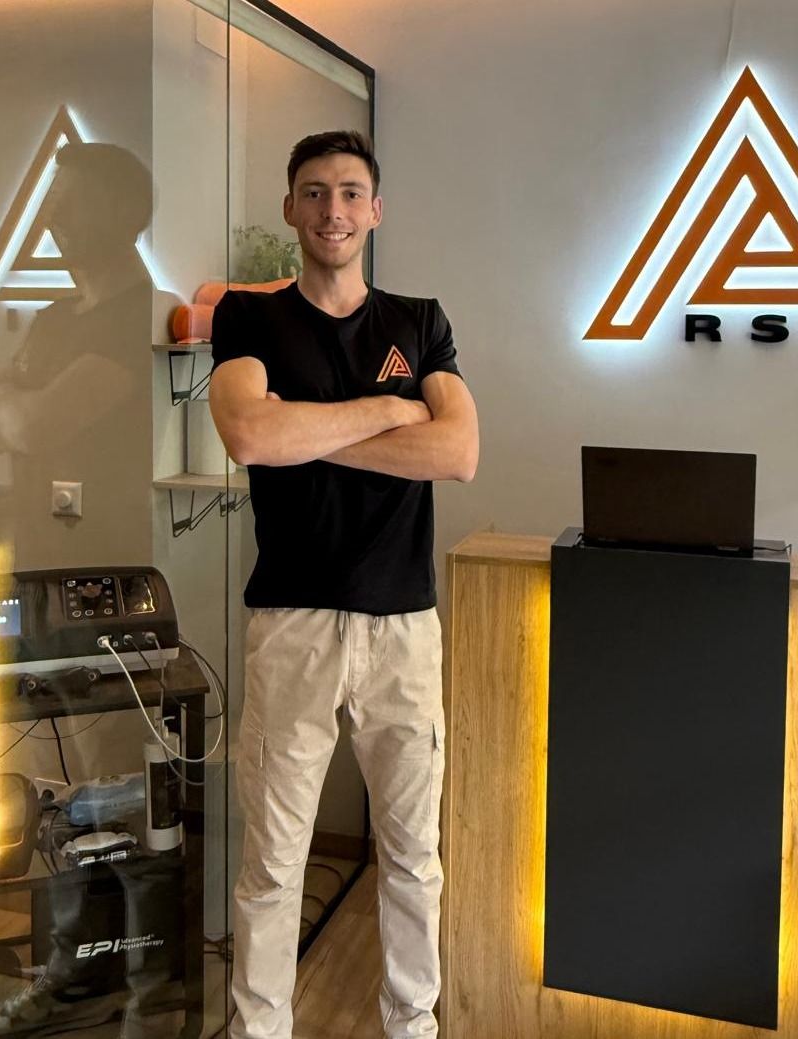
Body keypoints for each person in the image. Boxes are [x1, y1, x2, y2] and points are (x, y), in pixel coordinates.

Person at [209, 130, 479, 1039]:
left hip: (404, 627)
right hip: (291, 621)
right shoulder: (249, 319)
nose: (334, 210)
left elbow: (458, 451)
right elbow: (249, 436)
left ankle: (412, 1026)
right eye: (316, 192)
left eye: (351, 192)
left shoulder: (418, 320)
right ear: (291, 207)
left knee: (413, 858)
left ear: (376, 210)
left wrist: (310, 431)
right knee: (273, 862)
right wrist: (386, 412)